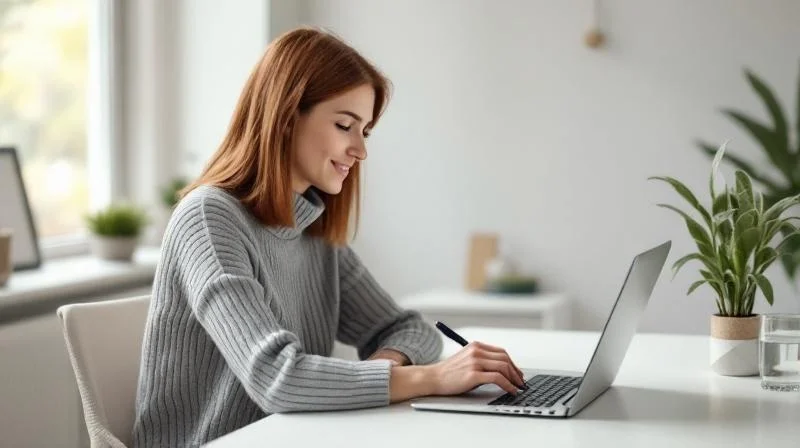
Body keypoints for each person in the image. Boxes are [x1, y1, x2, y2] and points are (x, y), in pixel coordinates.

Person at [132, 27, 526, 447]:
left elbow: (408, 328)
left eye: (366, 131)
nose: (361, 150)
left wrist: (386, 370)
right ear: (285, 117)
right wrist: (428, 378)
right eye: (345, 125)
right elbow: (277, 379)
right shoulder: (209, 219)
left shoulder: (312, 229)